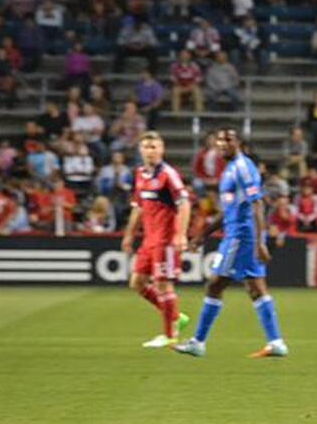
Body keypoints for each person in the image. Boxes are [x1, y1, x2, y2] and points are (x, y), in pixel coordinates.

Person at [174, 129, 289, 359]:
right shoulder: (229, 170)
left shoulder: (243, 168)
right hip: (236, 234)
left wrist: (259, 242)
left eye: (229, 140)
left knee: (215, 284)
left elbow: (257, 205)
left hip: (241, 236)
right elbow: (228, 210)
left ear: (239, 144)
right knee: (255, 287)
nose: (223, 144)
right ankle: (276, 342)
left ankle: (198, 342)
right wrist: (203, 235)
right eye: (219, 140)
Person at [121, 132, 191, 348]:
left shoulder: (168, 174)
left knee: (163, 285)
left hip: (166, 239)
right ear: (140, 150)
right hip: (148, 240)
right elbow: (138, 207)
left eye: (154, 147)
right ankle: (176, 316)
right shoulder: (140, 174)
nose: (150, 151)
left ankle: (169, 335)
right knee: (137, 283)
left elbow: (184, 203)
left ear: (162, 150)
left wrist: (181, 234)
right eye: (146, 147)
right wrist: (129, 234)